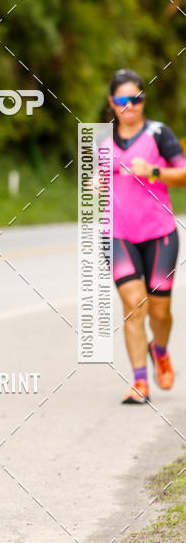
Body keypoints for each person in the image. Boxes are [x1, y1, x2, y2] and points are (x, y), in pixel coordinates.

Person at [105, 68, 186, 404]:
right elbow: (93, 179)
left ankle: (161, 351)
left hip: (159, 235)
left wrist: (153, 171)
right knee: (133, 306)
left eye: (136, 98)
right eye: (123, 99)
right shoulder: (100, 139)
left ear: (143, 100)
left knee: (159, 312)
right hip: (118, 235)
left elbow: (183, 174)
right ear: (112, 102)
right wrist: (95, 184)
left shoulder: (158, 133)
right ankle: (140, 381)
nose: (130, 105)